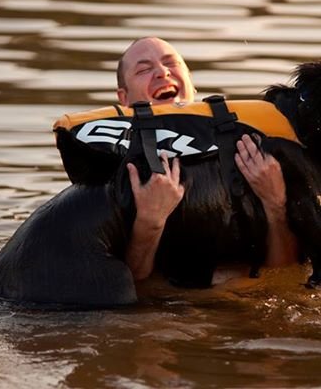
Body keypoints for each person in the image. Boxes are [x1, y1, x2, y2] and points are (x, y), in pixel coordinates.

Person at [115, 37, 299, 283]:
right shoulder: (117, 171)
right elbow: (128, 287)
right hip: (173, 313)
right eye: (144, 69)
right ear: (124, 98)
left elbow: (284, 273)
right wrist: (150, 221)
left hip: (249, 302)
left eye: (171, 63)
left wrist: (275, 204)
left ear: (192, 85)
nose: (161, 72)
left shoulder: (250, 155)